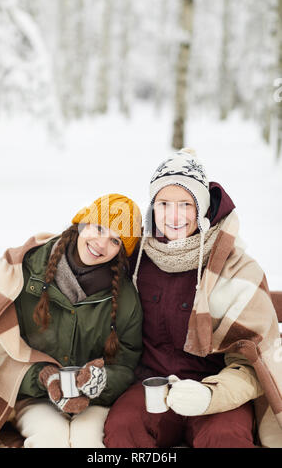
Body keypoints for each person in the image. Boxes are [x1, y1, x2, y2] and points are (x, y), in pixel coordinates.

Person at [104, 149, 282, 448]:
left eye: (185, 204)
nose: (174, 216)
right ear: (152, 208)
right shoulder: (135, 262)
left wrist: (210, 395)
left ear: (201, 208)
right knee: (124, 429)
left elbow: (254, 360)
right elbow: (83, 257)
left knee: (225, 438)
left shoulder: (235, 267)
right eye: (164, 204)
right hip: (151, 386)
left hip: (217, 388)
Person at [0, 193, 143, 448]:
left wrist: (100, 382)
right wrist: (44, 379)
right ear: (82, 223)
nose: (101, 244)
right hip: (36, 397)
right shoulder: (26, 271)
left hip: (94, 401)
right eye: (98, 228)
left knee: (88, 442)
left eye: (114, 240)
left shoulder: (125, 298)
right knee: (49, 440)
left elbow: (126, 363)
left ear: (121, 251)